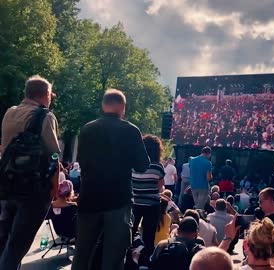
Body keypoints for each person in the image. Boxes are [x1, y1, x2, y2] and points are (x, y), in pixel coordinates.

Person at [72, 89, 150, 270]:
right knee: (113, 258)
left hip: (89, 198)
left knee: (82, 254)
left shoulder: (87, 129)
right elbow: (142, 165)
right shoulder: (131, 130)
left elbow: (81, 161)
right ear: (123, 107)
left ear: (103, 105)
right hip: (118, 200)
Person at [0, 75, 61, 270]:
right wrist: (54, 186)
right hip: (33, 189)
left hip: (7, 184)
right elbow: (53, 156)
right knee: (18, 245)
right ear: (45, 95)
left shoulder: (10, 113)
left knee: (4, 239)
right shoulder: (45, 116)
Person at [131, 134, 165, 265]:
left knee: (131, 231)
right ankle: (145, 262)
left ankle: (129, 258)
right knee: (149, 235)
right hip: (152, 205)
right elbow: (161, 187)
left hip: (135, 203)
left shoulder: (133, 164)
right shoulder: (158, 167)